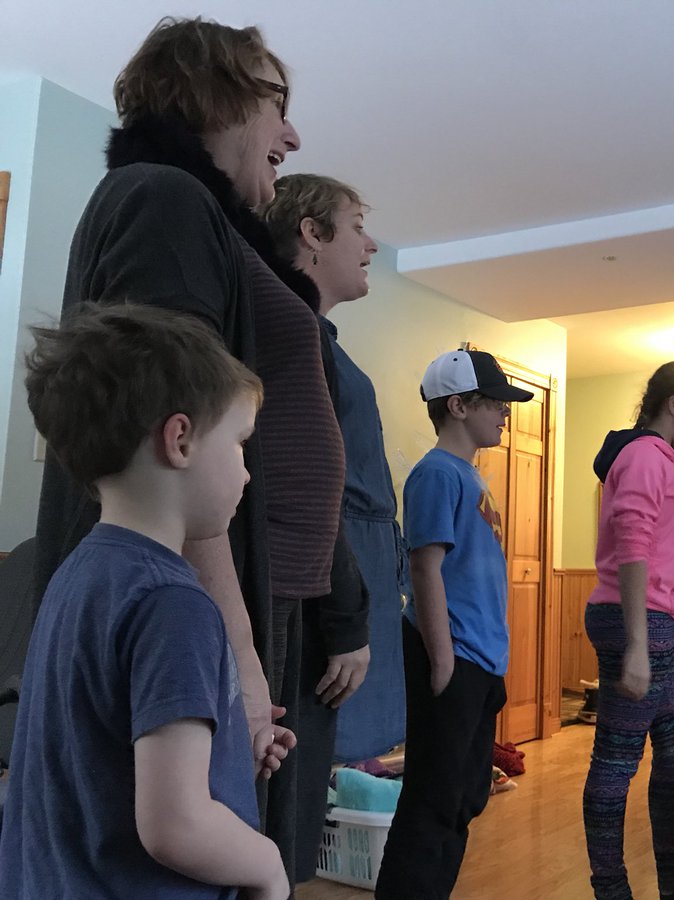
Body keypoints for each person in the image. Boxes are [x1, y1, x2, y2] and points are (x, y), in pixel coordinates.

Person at [33, 17, 368, 885]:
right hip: (216, 599)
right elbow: (168, 412)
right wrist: (241, 655)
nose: (292, 135)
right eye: (277, 103)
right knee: (219, 854)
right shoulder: (165, 200)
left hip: (256, 593)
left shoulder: (206, 218)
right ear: (216, 93)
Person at [0, 303, 290, 899]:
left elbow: (102, 749)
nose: (247, 474)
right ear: (179, 439)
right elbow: (176, 826)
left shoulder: (78, 574)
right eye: (240, 443)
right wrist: (267, 864)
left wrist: (228, 751)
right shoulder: (172, 604)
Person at [260, 173, 409, 764]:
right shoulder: (292, 336)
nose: (371, 246)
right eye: (357, 228)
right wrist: (344, 619)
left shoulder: (317, 338)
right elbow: (303, 486)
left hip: (353, 569)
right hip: (321, 588)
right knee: (301, 769)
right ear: (312, 234)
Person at [374, 349, 533, 899]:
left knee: (465, 796)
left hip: (479, 659)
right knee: (433, 798)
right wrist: (442, 661)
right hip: (453, 656)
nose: (505, 413)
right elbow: (425, 568)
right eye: (495, 403)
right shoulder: (437, 473)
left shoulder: (470, 476)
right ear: (459, 406)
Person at [582, 360, 674, 900]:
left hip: (657, 619)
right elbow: (632, 549)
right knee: (617, 758)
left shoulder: (661, 459)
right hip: (637, 620)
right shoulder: (646, 457)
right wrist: (637, 645)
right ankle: (611, 889)